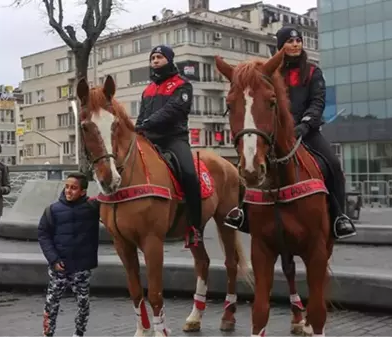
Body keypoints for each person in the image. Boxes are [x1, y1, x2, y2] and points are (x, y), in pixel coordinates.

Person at [224, 27, 357, 240]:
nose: (295, 44)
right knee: (250, 162)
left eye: (298, 40)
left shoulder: (313, 72)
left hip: (307, 132)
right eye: (289, 41)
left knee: (332, 164)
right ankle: (243, 211)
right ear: (280, 46)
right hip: (276, 134)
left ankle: (339, 216)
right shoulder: (269, 72)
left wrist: (305, 124)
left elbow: (317, 102)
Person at [134, 45, 203, 247]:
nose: (155, 61)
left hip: (174, 139)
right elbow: (142, 115)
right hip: (149, 139)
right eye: (153, 57)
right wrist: (137, 129)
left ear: (169, 60)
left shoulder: (182, 85)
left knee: (189, 175)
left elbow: (174, 110)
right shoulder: (148, 89)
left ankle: (195, 227)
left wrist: (146, 124)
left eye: (160, 57)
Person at [38, 172, 100, 337]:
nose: (68, 191)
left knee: (83, 304)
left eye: (74, 188)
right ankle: (48, 333)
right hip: (60, 267)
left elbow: (112, 202)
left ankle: (79, 334)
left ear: (83, 191)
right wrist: (53, 259)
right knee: (51, 304)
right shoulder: (52, 210)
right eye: (67, 187)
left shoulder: (93, 208)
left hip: (81, 268)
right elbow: (43, 235)